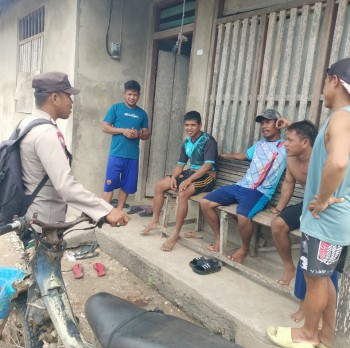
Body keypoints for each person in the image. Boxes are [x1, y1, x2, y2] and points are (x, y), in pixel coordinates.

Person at [267, 58, 350, 348]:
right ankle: (326, 337)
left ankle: (307, 334)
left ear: (335, 81)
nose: (323, 88)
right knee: (323, 278)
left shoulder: (342, 116)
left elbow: (338, 162)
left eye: (326, 81)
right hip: (335, 218)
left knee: (315, 279)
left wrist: (324, 197)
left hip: (327, 218)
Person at [19, 72, 128, 238]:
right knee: (45, 263)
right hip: (44, 225)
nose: (71, 101)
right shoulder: (46, 133)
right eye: (68, 95)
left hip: (30, 215)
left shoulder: (27, 123)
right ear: (55, 98)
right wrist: (106, 210)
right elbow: (66, 186)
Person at [200, 109, 287, 263]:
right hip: (241, 186)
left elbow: (308, 139)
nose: (264, 126)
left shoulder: (286, 146)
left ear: (278, 124)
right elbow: (244, 155)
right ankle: (219, 238)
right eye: (262, 123)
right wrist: (225, 155)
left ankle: (244, 248)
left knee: (242, 215)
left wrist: (289, 124)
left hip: (260, 192)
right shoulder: (260, 144)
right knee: (205, 203)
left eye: (268, 122)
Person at [141, 111, 218, 251]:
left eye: (193, 125)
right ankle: (154, 221)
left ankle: (175, 234)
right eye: (187, 125)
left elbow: (207, 166)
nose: (189, 128)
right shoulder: (187, 142)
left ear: (200, 125)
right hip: (192, 173)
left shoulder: (208, 140)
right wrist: (173, 177)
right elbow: (180, 164)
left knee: (183, 192)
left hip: (207, 177)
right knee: (160, 186)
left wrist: (187, 180)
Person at [271, 120, 318, 286]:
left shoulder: (321, 157)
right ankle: (289, 267)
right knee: (277, 225)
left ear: (305, 143)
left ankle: (311, 281)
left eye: (290, 140)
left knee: (312, 237)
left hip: (327, 207)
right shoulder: (290, 159)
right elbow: (289, 184)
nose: (285, 144)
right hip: (307, 204)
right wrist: (279, 208)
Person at [102, 80, 149, 210]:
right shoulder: (115, 108)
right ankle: (104, 213)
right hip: (116, 154)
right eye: (129, 94)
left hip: (132, 156)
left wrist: (138, 134)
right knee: (109, 185)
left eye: (135, 95)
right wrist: (123, 130)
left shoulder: (142, 114)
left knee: (126, 186)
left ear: (138, 95)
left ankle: (119, 211)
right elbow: (105, 128)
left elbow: (146, 135)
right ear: (124, 94)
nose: (132, 97)